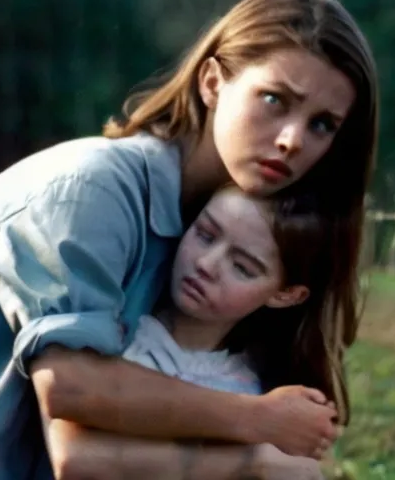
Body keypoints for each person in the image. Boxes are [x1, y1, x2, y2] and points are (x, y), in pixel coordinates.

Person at [0, 0, 378, 480]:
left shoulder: (218, 232)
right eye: (275, 100)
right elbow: (74, 390)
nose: (291, 139)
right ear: (213, 81)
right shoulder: (90, 189)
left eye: (321, 125)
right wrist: (258, 424)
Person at [47, 183, 347, 479]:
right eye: (204, 235)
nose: (206, 264)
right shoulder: (113, 347)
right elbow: (73, 458)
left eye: (242, 267)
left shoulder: (261, 388)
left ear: (285, 295)